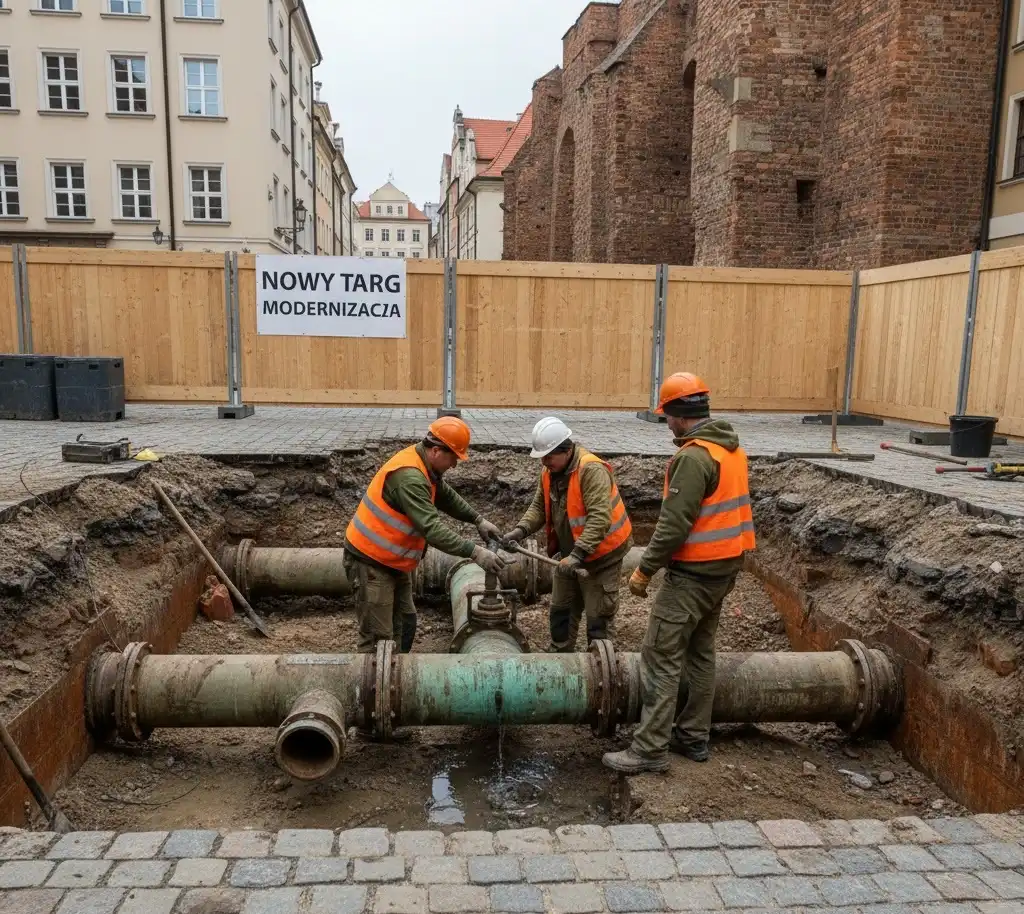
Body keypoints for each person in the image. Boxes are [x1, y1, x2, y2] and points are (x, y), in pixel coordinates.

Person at [602, 373, 755, 773]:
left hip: (693, 575)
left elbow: (673, 526)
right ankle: (693, 737)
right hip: (724, 570)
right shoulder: (730, 450)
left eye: (667, 414)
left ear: (677, 414)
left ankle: (650, 748)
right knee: (701, 653)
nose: (666, 422)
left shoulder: (692, 457)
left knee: (660, 657)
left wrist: (645, 571)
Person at [344, 416, 505, 654]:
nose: (454, 465)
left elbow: (444, 495)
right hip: (370, 561)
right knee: (378, 639)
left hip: (393, 561)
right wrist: (475, 552)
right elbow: (432, 529)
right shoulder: (409, 477)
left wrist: (477, 519)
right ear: (437, 451)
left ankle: (397, 672)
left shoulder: (424, 465)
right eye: (453, 458)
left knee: (406, 621)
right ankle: (375, 684)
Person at [503, 417, 633, 652]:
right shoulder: (549, 470)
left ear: (566, 449)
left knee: (598, 619)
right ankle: (561, 657)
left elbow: (599, 518)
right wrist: (520, 530)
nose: (544, 461)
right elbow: (539, 508)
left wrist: (578, 554)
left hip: (601, 558)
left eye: (549, 456)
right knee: (561, 611)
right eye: (542, 456)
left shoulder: (591, 470)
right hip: (569, 555)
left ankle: (598, 668)